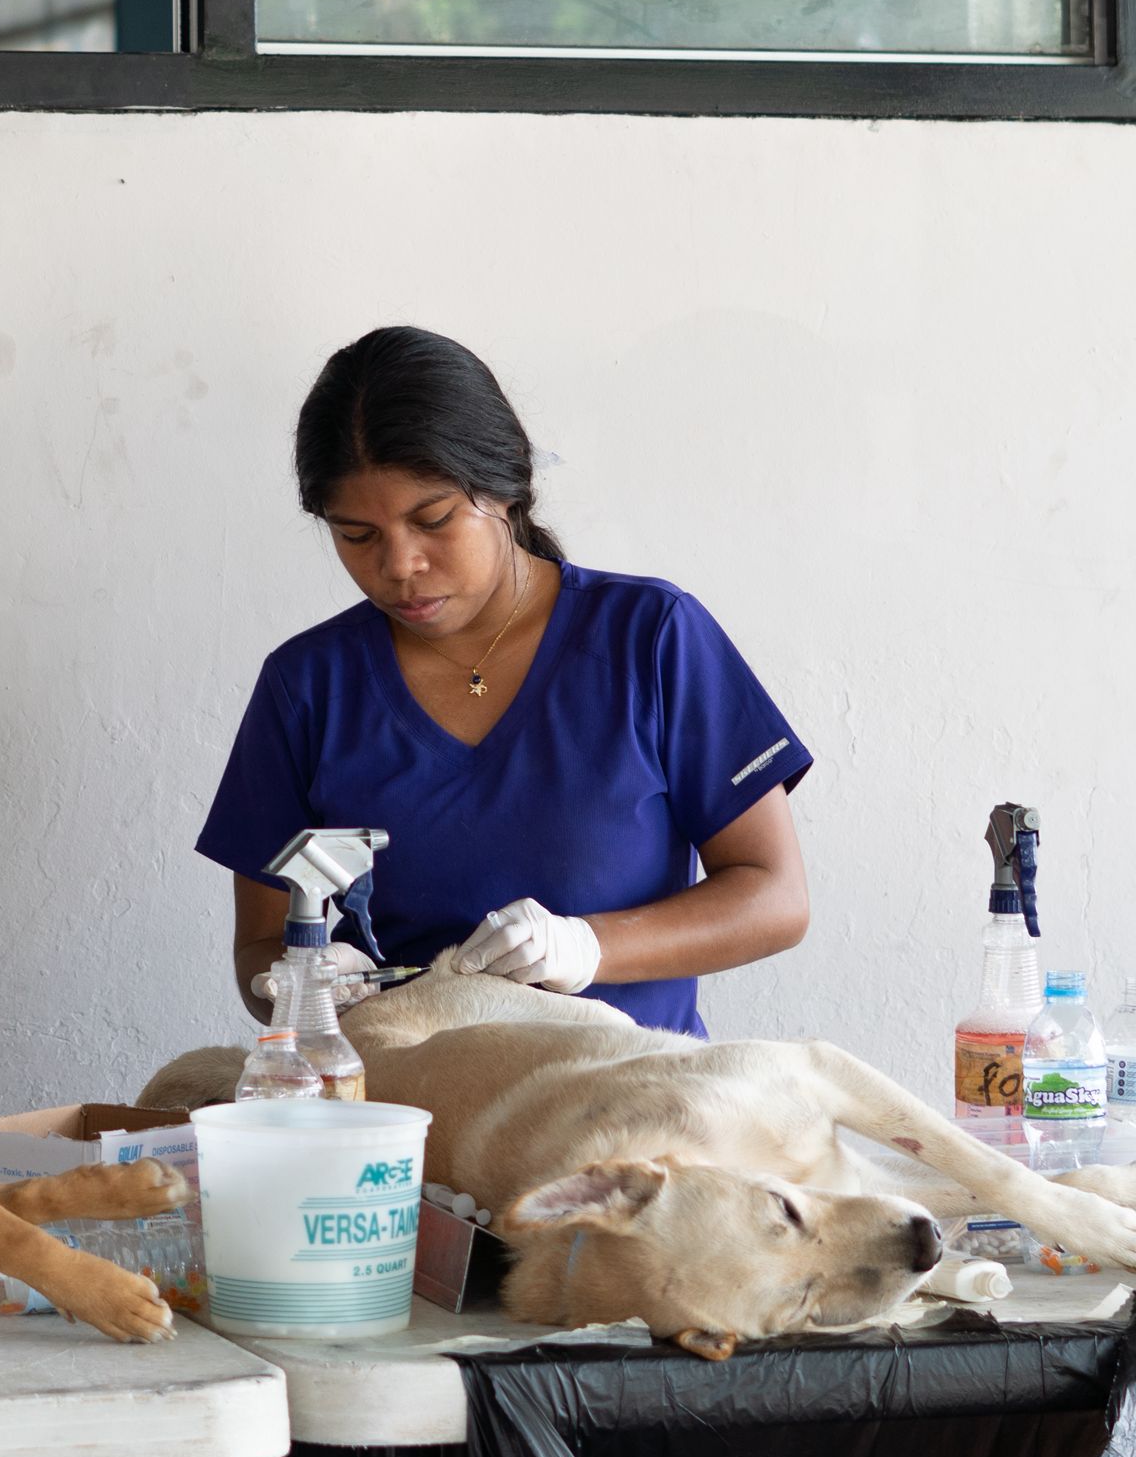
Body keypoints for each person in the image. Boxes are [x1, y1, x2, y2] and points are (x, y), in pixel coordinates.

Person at [196, 326, 812, 1037]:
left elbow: (774, 897)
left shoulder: (650, 638)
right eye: (356, 535)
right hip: (403, 1092)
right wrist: (304, 984)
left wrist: (588, 947)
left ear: (507, 487)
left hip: (626, 1090)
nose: (399, 565)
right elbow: (259, 947)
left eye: (433, 520)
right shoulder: (308, 688)